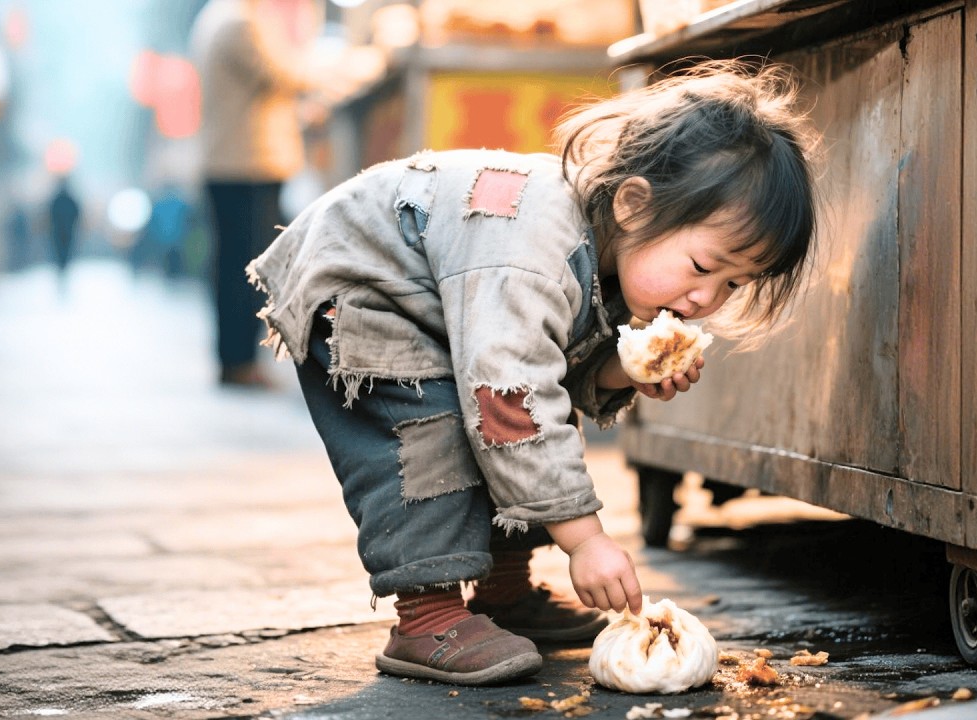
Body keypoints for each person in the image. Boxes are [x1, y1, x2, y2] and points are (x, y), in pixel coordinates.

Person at [245, 60, 819, 686]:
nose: (709, 298)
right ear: (632, 205)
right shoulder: (532, 252)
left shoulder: (602, 252)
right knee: (439, 432)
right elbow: (508, 396)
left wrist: (620, 376)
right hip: (364, 295)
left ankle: (506, 589)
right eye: (704, 265)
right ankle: (426, 616)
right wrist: (586, 540)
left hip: (446, 308)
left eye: (734, 283)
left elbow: (547, 372)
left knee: (522, 413)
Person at [191, 0, 377, 388]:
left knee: (234, 267)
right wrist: (348, 67)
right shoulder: (239, 23)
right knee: (250, 270)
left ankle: (235, 359)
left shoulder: (216, 18)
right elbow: (284, 74)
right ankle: (239, 362)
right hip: (247, 163)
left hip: (231, 163)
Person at [47, 175, 81, 285]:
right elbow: (77, 213)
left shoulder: (56, 199)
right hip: (67, 231)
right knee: (65, 251)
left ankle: (62, 268)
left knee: (60, 252)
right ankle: (63, 268)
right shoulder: (70, 199)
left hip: (58, 231)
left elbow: (50, 214)